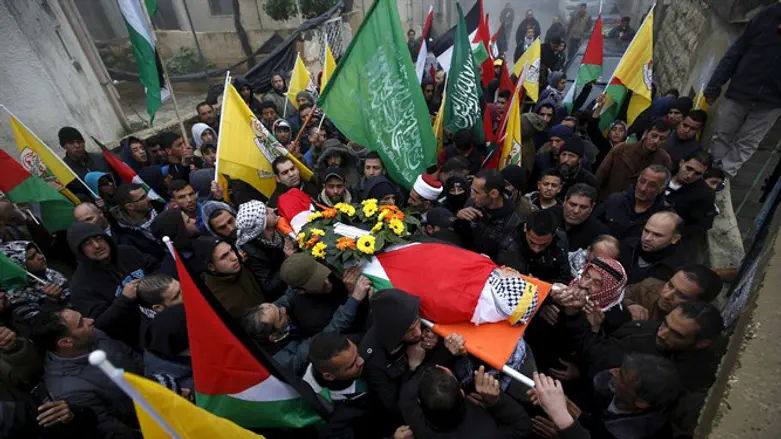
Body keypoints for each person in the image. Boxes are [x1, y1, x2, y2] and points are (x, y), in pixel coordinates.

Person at [31, 308, 143, 437]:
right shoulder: (70, 390)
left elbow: (129, 354)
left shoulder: (91, 335)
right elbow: (112, 429)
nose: (90, 321)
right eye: (80, 323)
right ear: (66, 342)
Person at [703, 2, 781, 178]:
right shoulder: (767, 16)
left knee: (747, 142)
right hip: (742, 89)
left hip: (772, 102)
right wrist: (714, 85)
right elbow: (737, 51)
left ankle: (724, 174)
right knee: (723, 132)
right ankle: (712, 168)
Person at [242, 273, 371, 376]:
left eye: (275, 306)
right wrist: (354, 299)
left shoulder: (270, 314)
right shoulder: (285, 360)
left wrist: (305, 275)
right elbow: (327, 334)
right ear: (274, 336)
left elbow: (288, 297)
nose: (284, 309)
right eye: (280, 316)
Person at [66, 222, 158, 349]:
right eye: (87, 243)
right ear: (80, 251)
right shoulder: (81, 286)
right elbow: (101, 325)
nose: (97, 246)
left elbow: (156, 267)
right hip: (142, 340)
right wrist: (124, 299)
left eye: (99, 238)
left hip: (165, 314)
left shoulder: (127, 252)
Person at [359, 289, 437, 427]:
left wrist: (434, 343)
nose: (418, 332)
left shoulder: (409, 313)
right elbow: (395, 407)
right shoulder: (373, 360)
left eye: (417, 322)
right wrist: (413, 368)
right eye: (409, 330)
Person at [399, 364, 532, 439]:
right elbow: (522, 427)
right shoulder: (487, 433)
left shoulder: (408, 402)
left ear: (419, 401)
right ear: (462, 393)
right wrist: (495, 401)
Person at [303, 332, 375, 439]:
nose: (361, 361)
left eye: (358, 353)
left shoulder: (345, 348)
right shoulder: (327, 416)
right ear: (329, 376)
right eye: (351, 365)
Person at [278, 254, 369, 338]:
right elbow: (353, 327)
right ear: (300, 291)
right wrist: (353, 297)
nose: (326, 281)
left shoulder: (320, 262)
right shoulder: (312, 320)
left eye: (320, 273)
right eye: (317, 282)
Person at [454, 170, 523, 269]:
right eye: (472, 190)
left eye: (477, 192)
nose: (472, 196)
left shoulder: (513, 223)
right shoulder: (472, 203)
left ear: (493, 194)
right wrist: (459, 218)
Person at [136, 274, 192, 389]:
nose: (186, 294)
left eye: (182, 289)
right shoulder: (163, 332)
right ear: (158, 308)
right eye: (177, 296)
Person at [595, 119, 673, 201]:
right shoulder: (621, 149)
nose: (656, 141)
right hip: (606, 199)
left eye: (662, 138)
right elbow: (600, 175)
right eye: (654, 136)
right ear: (646, 133)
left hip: (634, 207)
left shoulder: (664, 160)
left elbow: (660, 190)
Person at [0, 241, 70, 328]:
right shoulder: (15, 297)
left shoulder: (51, 273)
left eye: (37, 252)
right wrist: (51, 301)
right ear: (19, 264)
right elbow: (37, 325)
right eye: (32, 257)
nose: (40, 256)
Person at [194, 237, 267, 319]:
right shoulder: (217, 299)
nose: (234, 257)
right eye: (224, 256)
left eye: (231, 250)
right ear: (211, 267)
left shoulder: (242, 267)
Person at [595, 165, 670, 241]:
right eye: (642, 181)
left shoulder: (664, 217)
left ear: (661, 189)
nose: (643, 188)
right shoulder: (615, 200)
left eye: (651, 185)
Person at [625, 265, 723, 322]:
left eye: (682, 295)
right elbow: (618, 295)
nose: (667, 295)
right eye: (670, 285)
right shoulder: (648, 286)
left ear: (698, 304)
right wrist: (629, 305)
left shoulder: (693, 329)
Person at [235, 200, 291, 301]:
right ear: (261, 225)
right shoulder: (252, 254)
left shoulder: (278, 228)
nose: (272, 210)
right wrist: (287, 260)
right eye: (265, 212)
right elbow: (269, 286)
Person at [620, 211, 687, 286]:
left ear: (675, 239)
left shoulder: (676, 270)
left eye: (657, 235)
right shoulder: (626, 246)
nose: (647, 238)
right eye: (646, 231)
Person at [664, 150, 717, 241]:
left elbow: (702, 225)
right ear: (681, 163)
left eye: (697, 173)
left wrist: (674, 233)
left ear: (704, 174)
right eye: (689, 168)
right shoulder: (663, 173)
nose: (690, 175)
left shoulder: (704, 195)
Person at [109, 183, 164, 261]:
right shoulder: (123, 237)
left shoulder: (161, 208)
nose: (149, 198)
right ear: (130, 206)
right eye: (143, 198)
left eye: (146, 195)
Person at [518, 209, 571, 283]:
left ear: (554, 234)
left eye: (543, 244)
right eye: (532, 242)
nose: (536, 249)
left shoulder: (560, 240)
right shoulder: (511, 239)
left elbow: (564, 277)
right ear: (525, 228)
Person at [150, 207, 202, 279]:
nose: (194, 221)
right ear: (180, 232)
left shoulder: (202, 242)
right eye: (188, 221)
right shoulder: (174, 272)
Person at [554, 184, 608, 252]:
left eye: (583, 207)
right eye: (572, 204)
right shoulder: (549, 216)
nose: (576, 211)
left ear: (592, 207)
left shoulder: (599, 234)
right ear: (565, 201)